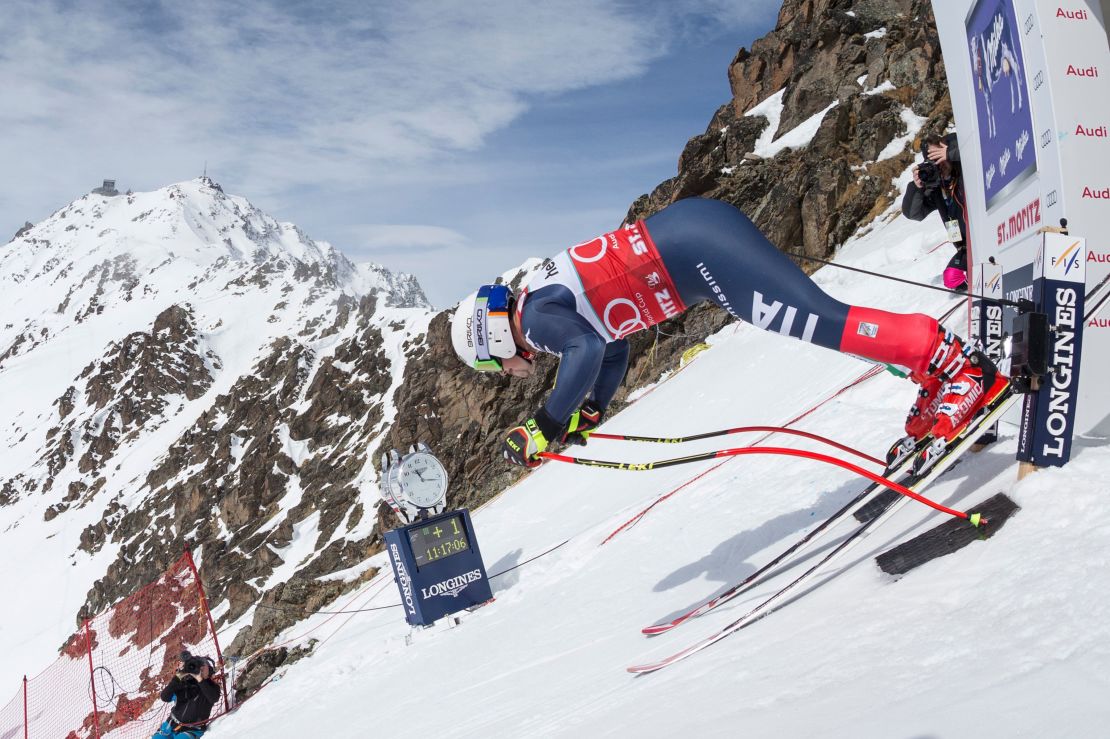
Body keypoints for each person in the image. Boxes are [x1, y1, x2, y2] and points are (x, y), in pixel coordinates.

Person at [450, 197, 1008, 473]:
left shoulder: (537, 324)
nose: (507, 371)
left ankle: (958, 366)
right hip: (692, 238)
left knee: (818, 319)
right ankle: (937, 369)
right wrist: (592, 408)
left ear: (495, 342)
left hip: (696, 256)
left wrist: (544, 426)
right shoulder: (541, 301)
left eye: (494, 365)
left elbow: (586, 348)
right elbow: (613, 346)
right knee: (816, 316)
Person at [901, 132, 969, 291]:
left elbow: (981, 150)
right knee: (951, 279)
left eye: (939, 155)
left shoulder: (965, 168)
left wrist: (951, 153)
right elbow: (913, 214)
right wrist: (916, 188)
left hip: (985, 233)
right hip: (966, 246)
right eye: (934, 161)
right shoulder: (938, 188)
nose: (940, 163)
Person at [152, 651, 221, 739]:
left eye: (203, 667)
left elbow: (213, 698)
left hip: (193, 729)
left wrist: (200, 679)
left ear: (208, 669)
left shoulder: (212, 686)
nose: (200, 669)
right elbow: (165, 697)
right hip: (171, 725)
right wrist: (178, 677)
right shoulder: (184, 683)